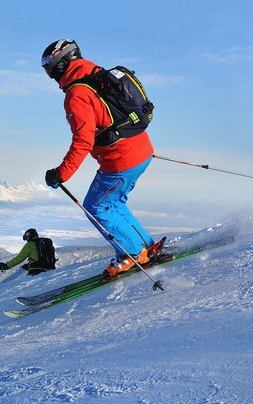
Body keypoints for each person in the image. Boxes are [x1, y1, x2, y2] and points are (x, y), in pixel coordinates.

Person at [41, 39, 162, 277]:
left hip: (121, 160)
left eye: (49, 68)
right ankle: (146, 247)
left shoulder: (77, 93)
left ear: (61, 64)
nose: (49, 74)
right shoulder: (97, 74)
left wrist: (61, 173)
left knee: (96, 206)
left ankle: (133, 254)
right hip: (140, 150)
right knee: (114, 203)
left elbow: (83, 141)